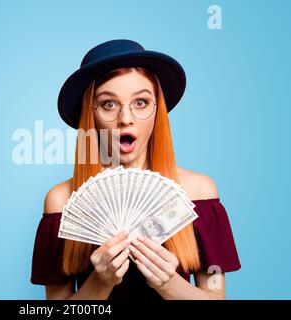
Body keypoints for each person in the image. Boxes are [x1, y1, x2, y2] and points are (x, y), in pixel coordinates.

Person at [30, 39, 241, 299]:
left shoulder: (200, 193)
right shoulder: (61, 202)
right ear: (91, 114)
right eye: (109, 104)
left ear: (157, 109)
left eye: (140, 102)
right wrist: (101, 282)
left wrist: (168, 284)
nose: (126, 118)